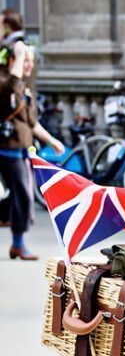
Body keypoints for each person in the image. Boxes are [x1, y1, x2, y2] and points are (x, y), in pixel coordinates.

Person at [0, 41, 62, 258]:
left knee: (21, 197)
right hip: (5, 150)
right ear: (11, 60)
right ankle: (18, 243)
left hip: (20, 151)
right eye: (24, 60)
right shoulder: (6, 81)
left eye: (31, 61)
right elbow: (8, 89)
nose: (28, 65)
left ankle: (18, 243)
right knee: (22, 197)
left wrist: (52, 140)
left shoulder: (24, 88)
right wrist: (17, 55)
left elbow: (32, 122)